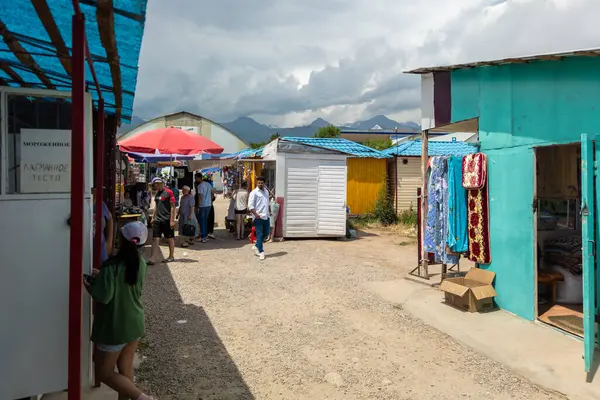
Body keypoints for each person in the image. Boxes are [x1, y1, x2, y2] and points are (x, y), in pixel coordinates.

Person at [84, 221, 154, 400]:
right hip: (135, 323)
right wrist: (103, 277)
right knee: (125, 370)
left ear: (120, 239)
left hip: (116, 326)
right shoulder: (141, 263)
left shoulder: (111, 267)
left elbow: (103, 296)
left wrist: (91, 285)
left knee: (104, 372)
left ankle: (142, 398)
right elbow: (125, 284)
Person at [149, 177, 175, 263]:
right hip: (157, 219)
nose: (156, 186)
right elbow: (156, 205)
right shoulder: (157, 193)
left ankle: (171, 256)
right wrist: (153, 217)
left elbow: (172, 206)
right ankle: (153, 258)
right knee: (155, 238)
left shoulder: (169, 192)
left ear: (162, 183)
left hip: (167, 219)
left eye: (157, 184)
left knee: (169, 238)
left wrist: (172, 220)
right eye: (155, 184)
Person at [248, 176, 270, 260]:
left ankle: (257, 245)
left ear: (264, 183)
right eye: (259, 183)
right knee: (259, 235)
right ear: (257, 183)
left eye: (261, 183)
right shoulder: (254, 193)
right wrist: (256, 214)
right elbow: (250, 206)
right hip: (258, 217)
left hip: (266, 215)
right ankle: (261, 252)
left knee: (266, 233)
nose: (260, 184)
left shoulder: (266, 192)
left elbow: (267, 202)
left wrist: (270, 211)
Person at [93, 186, 114, 263]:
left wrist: (109, 243)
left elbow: (110, 218)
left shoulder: (101, 205)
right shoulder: (81, 204)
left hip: (101, 254)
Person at [196, 174, 214, 243]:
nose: (196, 180)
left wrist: (198, 205)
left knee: (202, 221)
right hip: (209, 205)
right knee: (205, 220)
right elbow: (212, 193)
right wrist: (210, 200)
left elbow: (200, 196)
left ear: (199, 178)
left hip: (203, 205)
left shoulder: (200, 186)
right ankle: (205, 235)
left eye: (196, 178)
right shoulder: (208, 184)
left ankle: (203, 236)